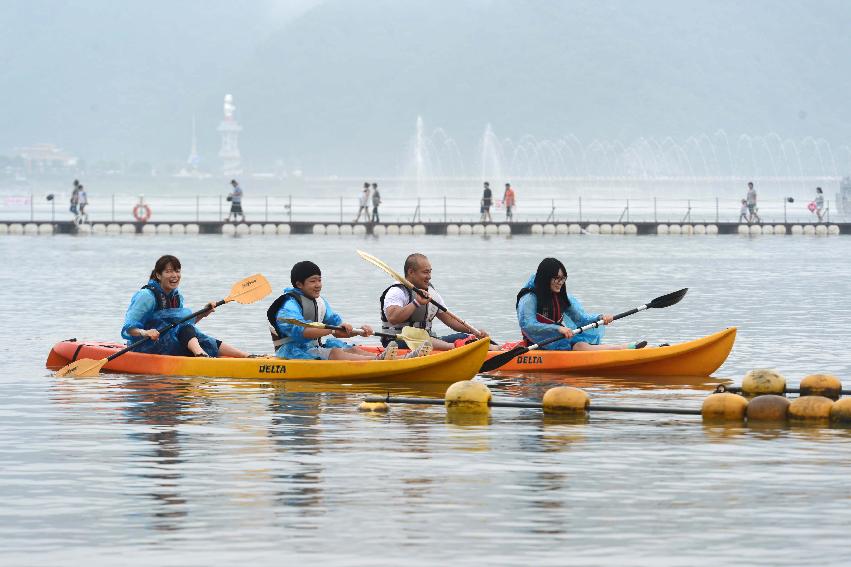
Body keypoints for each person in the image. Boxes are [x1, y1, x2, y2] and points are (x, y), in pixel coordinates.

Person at [271, 260, 431, 361]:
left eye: (320, 280)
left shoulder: (320, 302)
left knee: (353, 348)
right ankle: (378, 361)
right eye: (313, 281)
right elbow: (302, 332)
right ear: (299, 284)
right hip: (291, 353)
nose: (318, 285)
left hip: (313, 348)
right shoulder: (288, 305)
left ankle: (400, 358)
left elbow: (339, 329)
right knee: (335, 352)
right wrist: (330, 332)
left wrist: (358, 331)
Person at [122, 255, 248, 358]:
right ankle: (200, 355)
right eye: (169, 271)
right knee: (186, 330)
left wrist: (203, 314)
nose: (175, 275)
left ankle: (245, 356)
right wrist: (145, 332)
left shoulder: (176, 297)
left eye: (177, 271)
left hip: (168, 344)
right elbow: (129, 328)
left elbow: (184, 324)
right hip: (145, 346)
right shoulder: (146, 296)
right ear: (158, 275)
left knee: (199, 336)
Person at [516, 258, 647, 351]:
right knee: (580, 346)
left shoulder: (562, 297)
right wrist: (558, 329)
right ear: (545, 278)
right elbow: (528, 325)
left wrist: (600, 318)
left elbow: (581, 320)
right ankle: (626, 348)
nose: (560, 282)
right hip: (537, 344)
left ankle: (626, 348)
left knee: (580, 345)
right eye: (557, 278)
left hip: (558, 341)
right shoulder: (529, 298)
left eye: (563, 278)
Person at [380, 253, 491, 351]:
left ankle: (498, 349)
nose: (429, 277)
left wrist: (474, 331)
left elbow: (451, 321)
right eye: (425, 272)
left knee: (465, 337)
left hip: (429, 340)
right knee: (424, 340)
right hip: (398, 342)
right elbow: (393, 318)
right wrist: (416, 303)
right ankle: (457, 347)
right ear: (411, 272)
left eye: (430, 272)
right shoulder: (397, 291)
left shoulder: (431, 292)